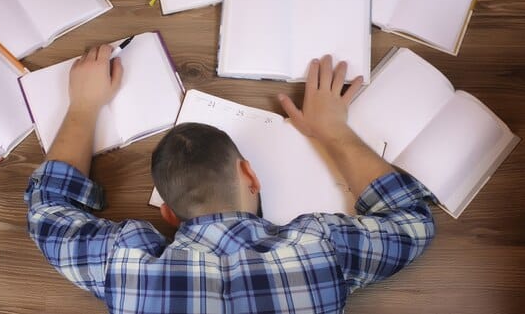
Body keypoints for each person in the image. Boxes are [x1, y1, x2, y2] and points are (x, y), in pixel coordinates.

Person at [25, 44, 435, 314]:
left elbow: (47, 211)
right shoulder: (321, 248)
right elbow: (412, 221)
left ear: (168, 213)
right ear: (249, 175)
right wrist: (333, 130)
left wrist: (82, 105)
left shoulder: (124, 263)